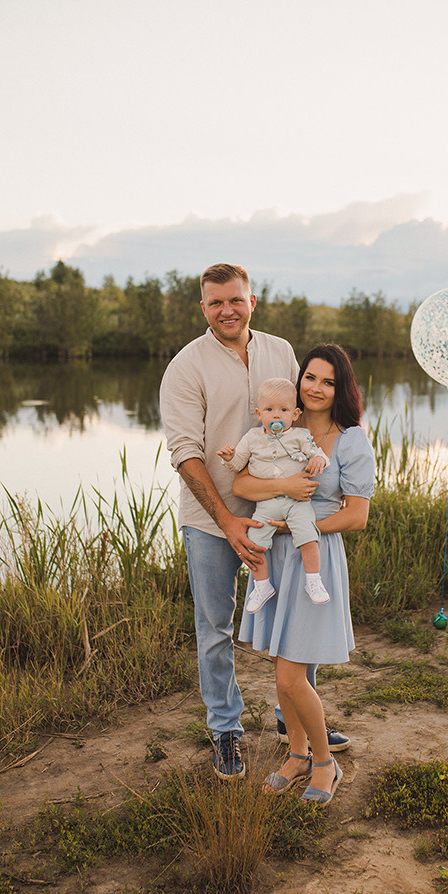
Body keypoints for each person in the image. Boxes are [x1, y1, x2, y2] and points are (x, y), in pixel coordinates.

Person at [159, 263, 300, 780]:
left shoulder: (281, 352)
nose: (226, 310)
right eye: (215, 302)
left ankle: (296, 721)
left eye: (234, 300)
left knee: (291, 618)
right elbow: (184, 452)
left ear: (252, 301)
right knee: (215, 626)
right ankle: (226, 731)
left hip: (277, 511)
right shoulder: (185, 367)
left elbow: (302, 416)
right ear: (203, 307)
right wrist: (225, 521)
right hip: (209, 521)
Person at [236, 344, 375, 804]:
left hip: (314, 553)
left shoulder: (350, 439)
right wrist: (280, 493)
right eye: (310, 378)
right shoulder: (276, 426)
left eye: (328, 381)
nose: (316, 388)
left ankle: (324, 763)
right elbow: (241, 484)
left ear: (341, 390)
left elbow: (356, 516)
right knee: (281, 673)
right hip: (275, 556)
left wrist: (298, 525)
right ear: (299, 384)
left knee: (294, 676)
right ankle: (297, 754)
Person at [218, 377, 330, 613]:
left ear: (295, 413)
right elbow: (239, 463)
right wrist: (229, 458)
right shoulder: (252, 437)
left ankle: (314, 581)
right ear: (259, 413)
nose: (276, 415)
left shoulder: (300, 435)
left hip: (296, 501)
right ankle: (262, 585)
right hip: (267, 502)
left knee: (308, 537)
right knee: (255, 543)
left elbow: (316, 452)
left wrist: (319, 459)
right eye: (269, 410)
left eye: (283, 410)